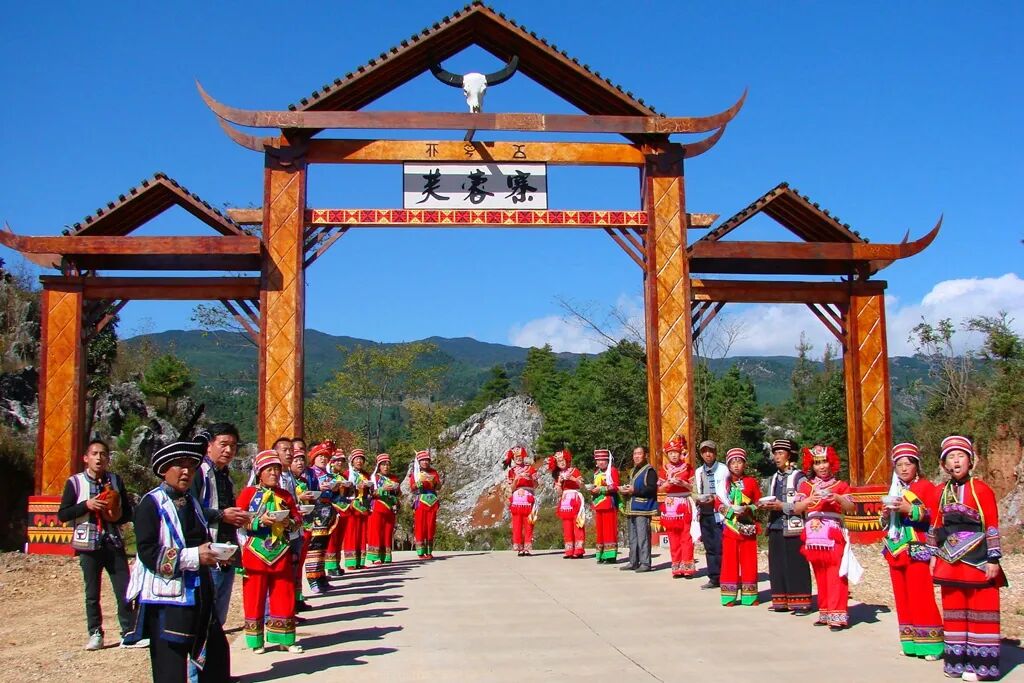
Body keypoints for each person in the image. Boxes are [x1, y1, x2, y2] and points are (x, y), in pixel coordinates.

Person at [125, 437, 232, 683]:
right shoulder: (151, 504)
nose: (187, 472)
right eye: (180, 465)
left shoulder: (192, 502)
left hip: (200, 593)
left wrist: (216, 555)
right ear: (164, 469)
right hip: (169, 599)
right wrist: (194, 556)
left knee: (215, 656)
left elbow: (200, 539)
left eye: (191, 466)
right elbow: (148, 553)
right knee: (170, 665)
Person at [928, 435, 1007, 681]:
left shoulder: (981, 490)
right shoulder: (941, 492)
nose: (956, 461)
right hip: (949, 560)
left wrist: (993, 559)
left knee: (981, 609)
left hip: (978, 559)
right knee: (954, 609)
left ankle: (981, 666)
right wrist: (933, 555)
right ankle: (956, 661)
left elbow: (991, 524)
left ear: (971, 461)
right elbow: (936, 524)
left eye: (960, 456)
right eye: (951, 457)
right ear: (944, 465)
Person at [58, 439, 137, 650]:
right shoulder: (75, 482)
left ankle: (129, 632)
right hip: (88, 544)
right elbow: (63, 514)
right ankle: (95, 633)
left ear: (108, 458)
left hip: (113, 541)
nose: (99, 458)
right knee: (92, 593)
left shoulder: (116, 480)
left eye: (103, 454)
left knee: (124, 589)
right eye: (94, 454)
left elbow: (127, 512)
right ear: (86, 458)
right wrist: (87, 505)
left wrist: (115, 513)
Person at [879, 442, 943, 661]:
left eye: (908, 464)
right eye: (899, 465)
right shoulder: (894, 490)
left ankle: (932, 645)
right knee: (902, 596)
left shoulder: (926, 487)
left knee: (921, 595)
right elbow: (883, 523)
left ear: (917, 465)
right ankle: (910, 643)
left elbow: (935, 515)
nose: (904, 468)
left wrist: (911, 509)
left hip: (917, 547)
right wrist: (885, 515)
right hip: (896, 547)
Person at [236, 450, 304, 654]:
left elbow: (297, 519)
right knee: (254, 596)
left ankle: (285, 639)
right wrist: (259, 521)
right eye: (269, 470)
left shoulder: (285, 495)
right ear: (259, 472)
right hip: (255, 551)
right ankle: (256, 641)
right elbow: (238, 519)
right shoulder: (248, 494)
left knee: (284, 593)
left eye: (276, 469)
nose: (274, 473)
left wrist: (288, 522)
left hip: (281, 551)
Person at [191, 423, 249, 629]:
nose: (228, 450)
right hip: (207, 549)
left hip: (226, 548)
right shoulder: (198, 473)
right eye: (223, 444)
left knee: (220, 607)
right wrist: (222, 515)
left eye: (233, 446)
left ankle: (214, 643)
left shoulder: (225, 475)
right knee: (206, 607)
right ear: (209, 445)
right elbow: (190, 509)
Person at [795, 444, 856, 630]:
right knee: (820, 574)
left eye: (824, 462)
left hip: (833, 534)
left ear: (831, 463)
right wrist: (807, 501)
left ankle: (837, 615)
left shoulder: (840, 485)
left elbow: (851, 507)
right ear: (812, 465)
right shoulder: (806, 486)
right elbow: (796, 509)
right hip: (813, 536)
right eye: (817, 463)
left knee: (836, 574)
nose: (821, 466)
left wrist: (837, 498)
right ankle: (825, 612)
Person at [757, 438, 813, 615]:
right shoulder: (774, 477)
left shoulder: (799, 477)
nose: (776, 457)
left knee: (796, 564)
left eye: (780, 453)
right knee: (778, 564)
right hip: (775, 525)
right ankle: (781, 600)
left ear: (789, 455)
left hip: (794, 526)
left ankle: (801, 602)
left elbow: (806, 503)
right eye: (775, 453)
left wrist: (783, 506)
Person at [716, 448, 762, 606]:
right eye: (733, 462)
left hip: (747, 527)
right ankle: (728, 596)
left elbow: (759, 503)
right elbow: (718, 502)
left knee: (749, 561)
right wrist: (728, 511)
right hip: (731, 528)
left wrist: (748, 509)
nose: (736, 465)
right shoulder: (724, 484)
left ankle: (750, 596)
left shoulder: (751, 482)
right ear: (728, 465)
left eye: (739, 462)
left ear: (745, 464)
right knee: (729, 562)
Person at [658, 436, 698, 578]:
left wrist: (683, 484)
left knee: (686, 535)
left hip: (684, 502)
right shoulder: (663, 469)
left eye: (676, 452)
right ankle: (676, 566)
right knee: (673, 536)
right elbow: (660, 488)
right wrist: (667, 484)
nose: (673, 455)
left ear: (680, 453)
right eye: (671, 453)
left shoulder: (688, 468)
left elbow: (694, 487)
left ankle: (687, 566)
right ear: (667, 455)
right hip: (670, 504)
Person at [303, 441, 339, 594]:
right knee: (315, 545)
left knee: (323, 546)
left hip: (327, 512)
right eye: (320, 456)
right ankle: (312, 578)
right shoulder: (309, 473)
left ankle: (321, 576)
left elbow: (336, 497)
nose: (323, 459)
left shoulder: (329, 475)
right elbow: (305, 491)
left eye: (325, 456)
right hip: (315, 513)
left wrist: (337, 489)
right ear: (313, 458)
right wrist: (319, 488)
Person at [694, 439, 729, 589]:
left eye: (710, 451)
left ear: (715, 453)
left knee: (721, 546)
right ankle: (714, 577)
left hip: (719, 513)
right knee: (709, 547)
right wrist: (698, 498)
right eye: (704, 451)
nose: (707, 454)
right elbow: (695, 491)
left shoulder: (724, 469)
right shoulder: (698, 471)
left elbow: (728, 490)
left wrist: (717, 499)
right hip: (705, 512)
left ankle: (726, 576)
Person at [621, 446, 658, 572]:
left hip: (643, 507)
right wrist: (625, 490)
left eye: (639, 453)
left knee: (643, 537)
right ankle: (633, 561)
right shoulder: (632, 471)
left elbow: (652, 489)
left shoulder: (650, 471)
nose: (636, 456)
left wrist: (635, 490)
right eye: (634, 454)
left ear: (645, 455)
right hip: (632, 507)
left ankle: (645, 563)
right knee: (632, 537)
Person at [546, 449, 585, 559]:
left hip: (575, 497)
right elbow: (558, 492)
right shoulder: (558, 475)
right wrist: (559, 483)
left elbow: (582, 485)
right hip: (565, 500)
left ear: (567, 460)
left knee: (578, 523)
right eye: (559, 461)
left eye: (563, 460)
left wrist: (572, 478)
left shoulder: (574, 470)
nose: (561, 462)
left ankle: (579, 550)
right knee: (567, 525)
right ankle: (569, 550)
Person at [585, 449, 620, 564]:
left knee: (609, 530)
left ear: (608, 460)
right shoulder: (596, 473)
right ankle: (601, 554)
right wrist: (593, 490)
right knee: (600, 531)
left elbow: (616, 486)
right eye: (598, 460)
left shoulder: (612, 471)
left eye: (603, 460)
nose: (600, 462)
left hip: (609, 503)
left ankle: (610, 556)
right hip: (598, 504)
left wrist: (602, 489)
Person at [367, 453, 401, 565]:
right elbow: (370, 493)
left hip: (390, 508)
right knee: (376, 531)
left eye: (387, 465)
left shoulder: (393, 478)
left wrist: (396, 490)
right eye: (383, 465)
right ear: (379, 466)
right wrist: (382, 489)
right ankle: (375, 556)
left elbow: (399, 493)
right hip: (377, 506)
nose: (386, 467)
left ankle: (386, 555)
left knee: (388, 531)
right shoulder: (374, 478)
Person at [505, 445, 539, 556]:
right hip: (517, 500)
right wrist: (516, 479)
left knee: (529, 523)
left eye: (520, 456)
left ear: (523, 456)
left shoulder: (531, 469)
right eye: (516, 457)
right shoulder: (511, 471)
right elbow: (511, 488)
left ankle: (527, 547)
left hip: (528, 497)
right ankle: (519, 547)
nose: (518, 458)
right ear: (513, 458)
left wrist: (531, 479)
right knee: (517, 524)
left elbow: (536, 485)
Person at [409, 450, 442, 559]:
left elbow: (438, 486)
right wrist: (417, 484)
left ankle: (429, 551)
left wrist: (434, 482)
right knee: (420, 526)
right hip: (421, 501)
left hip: (432, 502)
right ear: (419, 462)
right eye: (422, 460)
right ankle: (420, 551)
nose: (425, 462)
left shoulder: (433, 472)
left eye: (427, 460)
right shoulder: (415, 473)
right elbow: (412, 487)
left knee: (430, 526)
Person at [344, 449, 373, 570]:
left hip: (363, 506)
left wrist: (369, 487)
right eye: (357, 459)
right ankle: (351, 562)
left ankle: (360, 561)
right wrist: (356, 486)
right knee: (351, 533)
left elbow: (371, 490)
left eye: (361, 459)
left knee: (362, 533)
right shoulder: (347, 474)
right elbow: (344, 490)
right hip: (352, 506)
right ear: (352, 461)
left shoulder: (366, 475)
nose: (359, 461)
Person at [324, 451, 351, 577]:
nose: (339, 463)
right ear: (332, 462)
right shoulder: (327, 476)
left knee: (339, 538)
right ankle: (330, 566)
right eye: (337, 461)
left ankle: (336, 563)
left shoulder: (343, 476)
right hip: (332, 507)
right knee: (332, 538)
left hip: (343, 508)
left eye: (341, 461)